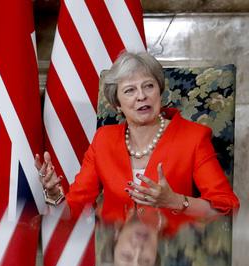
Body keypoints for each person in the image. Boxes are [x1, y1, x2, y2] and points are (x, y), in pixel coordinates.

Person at [36, 51, 239, 232]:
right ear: (117, 105)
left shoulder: (193, 137)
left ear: (159, 91)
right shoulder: (103, 140)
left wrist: (176, 201)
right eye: (130, 90)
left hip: (173, 254)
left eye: (148, 86)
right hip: (117, 257)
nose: (141, 96)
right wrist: (55, 196)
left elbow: (228, 207)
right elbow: (73, 212)